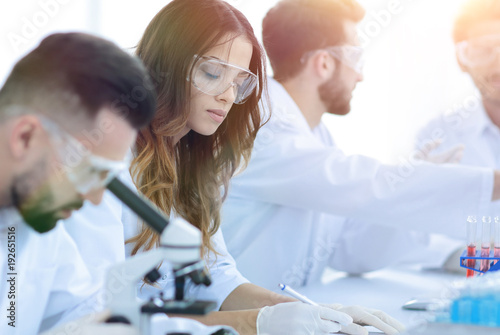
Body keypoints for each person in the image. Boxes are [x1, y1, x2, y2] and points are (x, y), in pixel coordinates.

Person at [103, 0, 405, 334]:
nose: (227, 95)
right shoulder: (114, 161)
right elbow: (122, 317)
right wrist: (257, 323)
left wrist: (311, 312)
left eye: (239, 81)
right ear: (167, 64)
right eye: (213, 73)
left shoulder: (194, 163)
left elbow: (217, 277)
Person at [218, 0, 500, 292]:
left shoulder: (315, 134)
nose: (360, 75)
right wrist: (490, 182)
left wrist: (417, 189)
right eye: (355, 58)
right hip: (237, 319)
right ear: (324, 63)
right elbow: (357, 180)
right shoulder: (261, 123)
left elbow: (349, 251)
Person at [0, 32, 156, 334]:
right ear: (25, 137)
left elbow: (84, 315)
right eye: (90, 171)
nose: (96, 199)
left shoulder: (36, 226)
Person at [414, 0, 500, 270]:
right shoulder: (440, 135)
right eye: (483, 50)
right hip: (473, 291)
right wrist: (476, 258)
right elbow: (412, 230)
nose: (498, 62)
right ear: (462, 59)